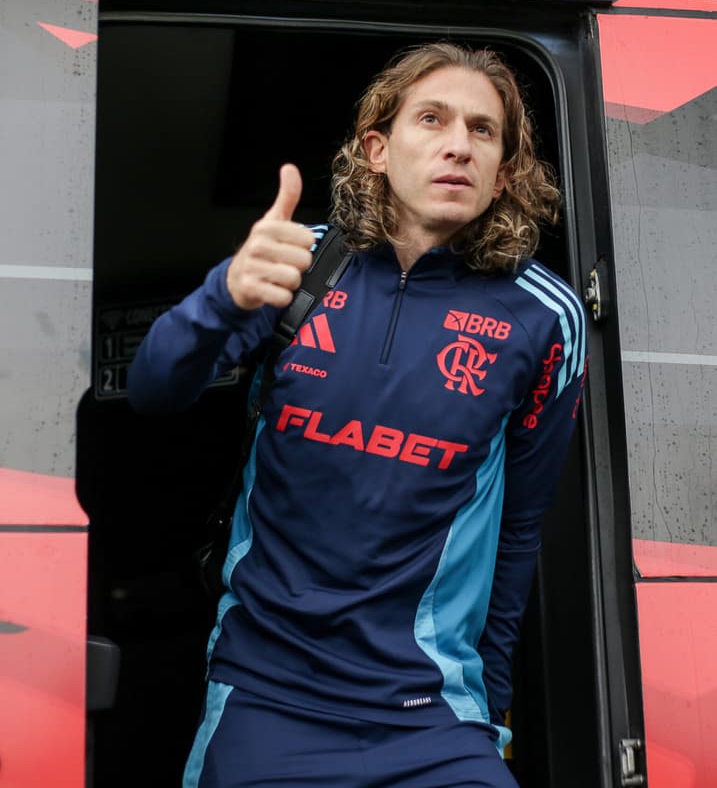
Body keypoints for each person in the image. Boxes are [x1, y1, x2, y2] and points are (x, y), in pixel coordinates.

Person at [127, 42, 588, 788]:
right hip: (265, 699)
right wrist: (222, 298)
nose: (456, 146)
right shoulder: (295, 265)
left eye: (481, 130)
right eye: (431, 119)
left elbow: (520, 530)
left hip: (434, 718)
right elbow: (154, 392)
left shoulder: (544, 315)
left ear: (503, 172)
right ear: (376, 148)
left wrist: (491, 712)